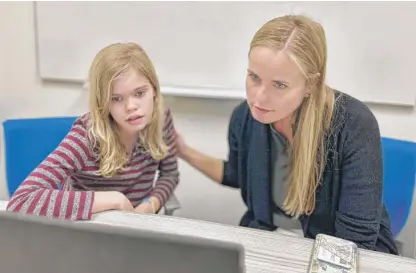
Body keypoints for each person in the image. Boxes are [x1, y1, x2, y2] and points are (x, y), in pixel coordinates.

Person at [175, 15, 398, 254]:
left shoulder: (354, 124)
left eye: (279, 85)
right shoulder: (244, 117)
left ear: (310, 85)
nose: (259, 98)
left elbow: (355, 241)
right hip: (270, 242)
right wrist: (184, 152)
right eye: (254, 77)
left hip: (338, 251)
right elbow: (237, 175)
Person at [6, 42, 179, 221]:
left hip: (132, 231)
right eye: (116, 99)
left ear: (154, 90)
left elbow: (169, 175)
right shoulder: (87, 137)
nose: (131, 106)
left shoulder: (161, 119)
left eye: (140, 93)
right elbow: (21, 201)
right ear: (102, 102)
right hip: (87, 235)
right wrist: (115, 200)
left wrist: (150, 204)